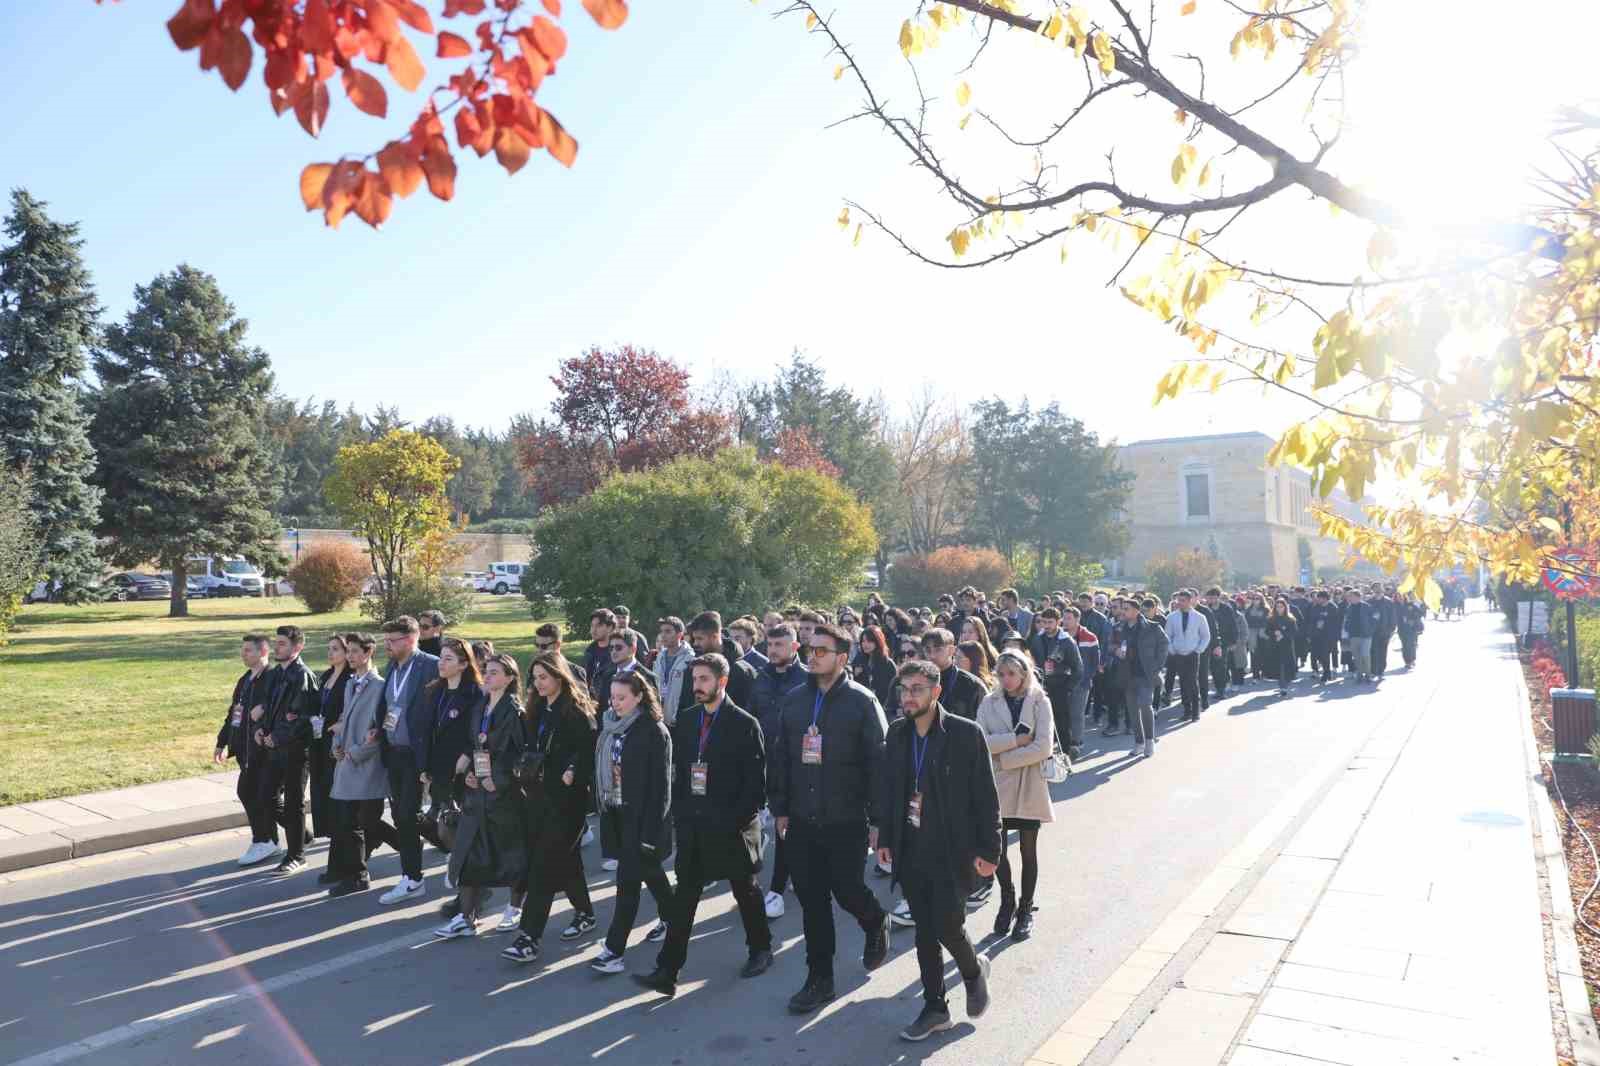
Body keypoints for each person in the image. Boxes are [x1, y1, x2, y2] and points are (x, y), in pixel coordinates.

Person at [769, 621, 891, 1015]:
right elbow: (782, 758)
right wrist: (781, 808)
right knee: (812, 900)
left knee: (847, 889)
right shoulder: (793, 701)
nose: (812, 655)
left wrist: (878, 820)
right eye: (810, 648)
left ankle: (874, 921)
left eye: (821, 650)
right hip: (802, 820)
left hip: (847, 819)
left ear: (842, 658)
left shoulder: (861, 701)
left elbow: (879, 765)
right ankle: (819, 978)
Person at [635, 654, 774, 996]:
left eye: (703, 680)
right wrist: (681, 815)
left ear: (721, 682)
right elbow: (680, 774)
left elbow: (755, 785)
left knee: (746, 891)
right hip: (693, 828)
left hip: (731, 828)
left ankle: (761, 950)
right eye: (694, 680)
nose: (696, 687)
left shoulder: (744, 724)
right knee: (685, 897)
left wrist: (734, 820)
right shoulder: (687, 719)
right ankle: (667, 970)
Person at [876, 659, 998, 1042]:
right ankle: (935, 1008)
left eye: (917, 689)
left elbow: (985, 797)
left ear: (936, 692)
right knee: (924, 931)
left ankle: (973, 970)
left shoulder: (965, 734)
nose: (908, 697)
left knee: (946, 924)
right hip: (910, 846)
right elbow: (891, 790)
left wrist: (990, 849)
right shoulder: (897, 734)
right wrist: (884, 838)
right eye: (904, 689)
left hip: (951, 849)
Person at [502, 652, 600, 959]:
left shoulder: (576, 712)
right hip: (537, 797)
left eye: (544, 677)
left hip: (567, 802)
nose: (538, 683)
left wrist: (573, 772)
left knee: (543, 867)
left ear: (560, 677)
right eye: (535, 678)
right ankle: (585, 912)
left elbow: (588, 751)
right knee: (566, 860)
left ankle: (528, 937)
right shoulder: (535, 710)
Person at [434, 654, 527, 939]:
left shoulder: (515, 711)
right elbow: (477, 745)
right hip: (477, 794)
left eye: (495, 673)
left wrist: (497, 781)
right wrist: (472, 773)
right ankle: (466, 917)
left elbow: (520, 755)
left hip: (504, 796)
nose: (487, 676)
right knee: (467, 853)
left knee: (512, 855)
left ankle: (515, 908)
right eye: (486, 671)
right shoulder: (480, 707)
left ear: (510, 678)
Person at [590, 669, 675, 975]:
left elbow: (661, 789)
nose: (616, 703)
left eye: (622, 698)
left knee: (627, 885)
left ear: (639, 696)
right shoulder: (611, 726)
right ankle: (674, 917)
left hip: (643, 821)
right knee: (651, 875)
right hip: (617, 814)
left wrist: (651, 834)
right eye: (613, 697)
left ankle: (613, 950)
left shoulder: (654, 731)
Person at [975, 650, 1054, 941]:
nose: (1007, 679)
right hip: (996, 786)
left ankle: (1025, 908)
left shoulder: (1039, 700)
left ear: (1024, 672)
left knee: (1028, 850)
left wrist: (1004, 758)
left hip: (1030, 783)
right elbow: (979, 739)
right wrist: (1017, 740)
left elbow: (1043, 746)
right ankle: (1007, 900)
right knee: (998, 850)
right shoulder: (989, 701)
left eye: (1012, 673)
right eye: (1002, 674)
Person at [326, 632, 400, 897]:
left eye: (356, 652)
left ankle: (358, 875)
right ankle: (358, 870)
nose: (350, 657)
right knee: (352, 821)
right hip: (347, 760)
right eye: (349, 652)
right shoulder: (350, 683)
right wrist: (337, 744)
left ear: (369, 653)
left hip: (366, 764)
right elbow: (345, 718)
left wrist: (356, 752)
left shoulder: (380, 686)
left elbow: (380, 730)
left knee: (357, 822)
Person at [376, 615, 440, 905]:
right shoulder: (393, 665)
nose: (387, 646)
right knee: (403, 816)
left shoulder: (429, 665)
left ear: (411, 639)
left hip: (418, 754)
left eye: (393, 641)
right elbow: (389, 706)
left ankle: (412, 878)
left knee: (405, 816)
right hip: (394, 752)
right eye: (386, 640)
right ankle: (442, 848)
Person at [750, 622, 808, 921]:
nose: (773, 651)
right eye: (770, 645)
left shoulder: (809, 679)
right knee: (781, 825)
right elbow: (751, 719)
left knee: (785, 825)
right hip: (766, 765)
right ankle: (795, 874)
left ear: (795, 647)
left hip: (800, 766)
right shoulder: (759, 678)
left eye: (779, 645)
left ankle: (775, 889)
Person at [258, 625, 318, 874]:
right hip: (274, 748)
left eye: (282, 643)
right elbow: (268, 709)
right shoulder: (275, 675)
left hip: (295, 750)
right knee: (265, 797)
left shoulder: (301, 675)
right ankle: (302, 834)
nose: (276, 647)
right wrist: (261, 729)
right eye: (277, 642)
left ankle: (296, 855)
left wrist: (277, 737)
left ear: (297, 647)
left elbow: (301, 717)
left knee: (294, 802)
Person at [215, 633, 279, 867]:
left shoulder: (272, 678)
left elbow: (279, 706)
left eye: (248, 650)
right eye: (243, 650)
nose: (244, 654)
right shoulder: (245, 680)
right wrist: (222, 742)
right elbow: (233, 712)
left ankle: (263, 840)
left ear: (263, 652)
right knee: (261, 797)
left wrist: (264, 709)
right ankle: (296, 837)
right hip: (244, 748)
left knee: (250, 792)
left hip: (262, 750)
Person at [421, 638, 482, 866]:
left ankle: (470, 876)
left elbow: (478, 733)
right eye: (441, 657)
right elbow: (427, 731)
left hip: (463, 770)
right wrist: (425, 766)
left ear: (464, 664)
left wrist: (466, 756)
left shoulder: (475, 693)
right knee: (445, 823)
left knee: (465, 824)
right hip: (439, 768)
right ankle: (462, 871)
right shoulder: (435, 691)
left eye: (448, 659)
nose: (441, 663)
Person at [307, 634, 351, 845]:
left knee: (336, 791)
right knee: (321, 787)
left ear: (346, 652)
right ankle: (329, 831)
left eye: (335, 649)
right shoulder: (325, 676)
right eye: (329, 649)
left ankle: (340, 836)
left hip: (337, 741)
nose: (330, 653)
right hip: (319, 739)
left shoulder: (350, 679)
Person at [1116, 599, 1171, 757]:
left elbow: (1164, 644)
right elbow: (1111, 644)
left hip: (1146, 674)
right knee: (1132, 710)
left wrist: (1157, 665)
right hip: (1128, 674)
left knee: (1146, 706)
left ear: (1136, 611)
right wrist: (1116, 651)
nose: (1123, 611)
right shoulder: (1120, 628)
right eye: (1122, 608)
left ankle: (1149, 742)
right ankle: (1138, 742)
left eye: (1126, 609)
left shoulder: (1152, 627)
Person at [1030, 607, 1084, 757]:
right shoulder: (1037, 638)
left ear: (1058, 622)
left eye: (1050, 622)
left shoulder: (1067, 641)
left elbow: (1078, 668)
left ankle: (1065, 754)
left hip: (1060, 686)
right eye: (1044, 622)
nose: (1046, 625)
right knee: (1041, 721)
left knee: (1061, 722)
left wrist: (1068, 688)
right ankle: (1045, 753)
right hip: (1040, 685)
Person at [1163, 591, 1210, 723]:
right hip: (1178, 654)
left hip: (1193, 654)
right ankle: (1187, 710)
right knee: (1183, 682)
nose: (1180, 603)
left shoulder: (1200, 617)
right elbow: (1167, 636)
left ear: (1190, 601)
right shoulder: (1172, 617)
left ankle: (1195, 711)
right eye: (1178, 600)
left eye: (1183, 600)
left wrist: (1198, 650)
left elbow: (1206, 636)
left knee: (1192, 682)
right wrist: (1172, 650)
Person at [919, 628, 985, 721]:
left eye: (938, 650)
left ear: (951, 650)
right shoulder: (916, 682)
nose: (932, 655)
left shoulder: (972, 684)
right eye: (928, 650)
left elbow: (984, 723)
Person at [1060, 606, 1098, 761]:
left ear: (1077, 619)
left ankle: (1076, 742)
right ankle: (1064, 741)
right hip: (1062, 682)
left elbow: (1095, 662)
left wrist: (1086, 678)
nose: (1065, 621)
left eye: (1069, 618)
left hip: (1081, 683)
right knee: (1063, 714)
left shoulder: (1090, 637)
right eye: (1064, 618)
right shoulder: (1059, 636)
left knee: (1077, 714)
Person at [1203, 587, 1240, 700]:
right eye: (1209, 597)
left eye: (1213, 597)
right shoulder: (1206, 609)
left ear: (1218, 597)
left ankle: (1221, 690)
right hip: (1209, 641)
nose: (1211, 600)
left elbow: (1233, 626)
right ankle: (1218, 688)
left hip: (1224, 642)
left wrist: (1233, 641)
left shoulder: (1226, 609)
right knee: (1213, 667)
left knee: (1221, 666)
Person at [654, 616, 693, 716]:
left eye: (667, 631)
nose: (663, 635)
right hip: (659, 716)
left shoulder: (690, 659)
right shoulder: (659, 656)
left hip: (679, 718)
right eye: (661, 631)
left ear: (679, 635)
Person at [853, 625, 898, 708]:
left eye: (869, 641)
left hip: (882, 707)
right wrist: (854, 675)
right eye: (863, 641)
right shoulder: (859, 659)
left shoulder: (888, 664)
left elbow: (894, 690)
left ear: (878, 641)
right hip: (862, 705)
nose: (865, 644)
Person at [533, 623, 586, 688]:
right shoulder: (534, 672)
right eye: (537, 645)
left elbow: (583, 697)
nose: (539, 650)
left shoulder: (576, 672)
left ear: (557, 645)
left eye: (544, 646)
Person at [1264, 598, 1299, 696]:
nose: (1279, 609)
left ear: (1285, 607)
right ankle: (1281, 685)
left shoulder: (1290, 619)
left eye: (1281, 607)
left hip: (1286, 646)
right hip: (1275, 646)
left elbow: (1294, 632)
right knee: (1278, 666)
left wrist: (1283, 634)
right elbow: (1267, 631)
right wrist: (1274, 633)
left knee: (1285, 666)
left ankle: (1284, 685)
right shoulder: (1271, 619)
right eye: (1277, 607)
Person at [1341, 587, 1374, 682]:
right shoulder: (1349, 607)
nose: (1349, 598)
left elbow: (1374, 619)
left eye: (1351, 596)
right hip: (1353, 636)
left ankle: (1368, 675)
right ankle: (1359, 675)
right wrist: (1347, 628)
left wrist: (1370, 630)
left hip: (1365, 636)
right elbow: (1346, 620)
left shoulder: (1366, 606)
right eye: (1349, 597)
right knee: (1357, 657)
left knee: (1365, 655)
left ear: (1358, 597)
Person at [584, 609, 617, 701]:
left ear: (610, 627)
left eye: (598, 626)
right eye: (592, 626)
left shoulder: (618, 651)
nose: (593, 630)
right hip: (591, 704)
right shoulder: (589, 651)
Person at [1306, 590, 1338, 683]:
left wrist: (1324, 623)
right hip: (1316, 635)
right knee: (1319, 655)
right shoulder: (1316, 607)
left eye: (1319, 598)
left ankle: (1326, 673)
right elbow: (1311, 621)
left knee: (1325, 655)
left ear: (1324, 598)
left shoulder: (1332, 607)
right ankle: (1326, 671)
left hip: (1328, 636)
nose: (1317, 599)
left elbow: (1335, 623)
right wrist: (1310, 634)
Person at [1397, 593, 1426, 668]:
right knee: (1404, 645)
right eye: (1399, 596)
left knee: (1411, 645)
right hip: (1401, 629)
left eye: (1403, 596)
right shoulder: (1396, 605)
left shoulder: (1411, 605)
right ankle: (1407, 661)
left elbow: (1420, 613)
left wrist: (1412, 619)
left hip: (1411, 628)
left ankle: (1411, 660)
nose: (1401, 598)